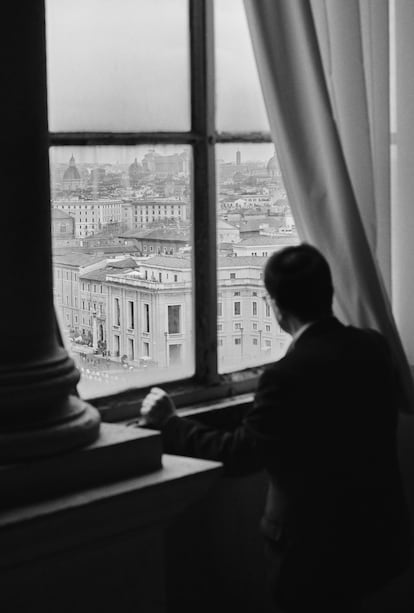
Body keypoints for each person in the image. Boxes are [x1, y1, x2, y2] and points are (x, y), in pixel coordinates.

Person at [141, 243, 411, 613]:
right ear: (329, 293)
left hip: (312, 550)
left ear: (276, 308)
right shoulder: (374, 348)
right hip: (374, 533)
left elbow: (240, 455)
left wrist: (170, 424)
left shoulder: (287, 376)